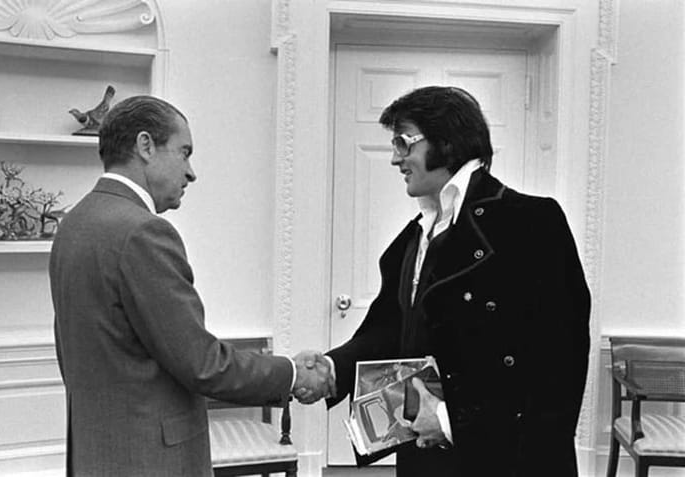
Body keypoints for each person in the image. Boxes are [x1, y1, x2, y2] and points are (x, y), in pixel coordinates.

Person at [297, 86, 591, 476]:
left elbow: (560, 362)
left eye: (404, 142)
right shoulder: (414, 235)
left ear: (447, 143)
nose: (395, 158)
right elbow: (392, 328)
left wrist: (453, 422)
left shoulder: (532, 221)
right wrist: (331, 370)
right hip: (424, 455)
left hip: (505, 459)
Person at [49, 95, 331, 477]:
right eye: (184, 152)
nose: (191, 172)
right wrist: (293, 373)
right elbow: (202, 364)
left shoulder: (74, 224)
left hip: (96, 453)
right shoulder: (143, 232)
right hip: (149, 460)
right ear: (145, 146)